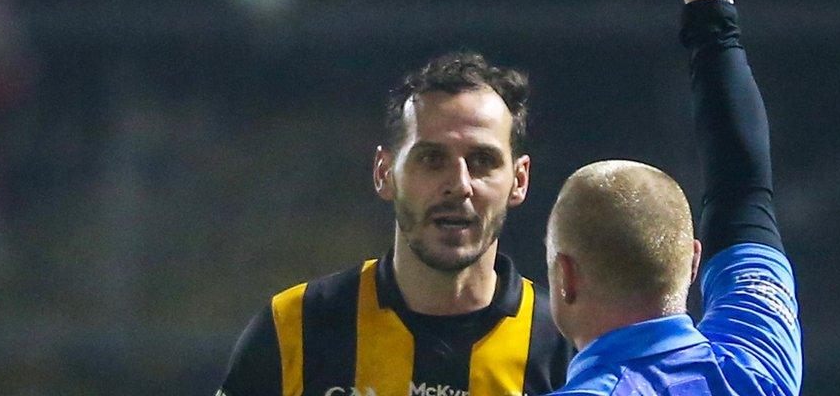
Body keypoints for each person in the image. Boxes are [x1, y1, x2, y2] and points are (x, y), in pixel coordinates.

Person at [544, 0, 802, 395]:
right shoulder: (757, 364)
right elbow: (744, 191)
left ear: (565, 277)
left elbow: (744, 192)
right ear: (692, 263)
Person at [216, 54, 573, 396]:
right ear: (384, 173)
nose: (460, 184)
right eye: (432, 159)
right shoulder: (294, 330)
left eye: (482, 160)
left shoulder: (567, 351)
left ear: (519, 180)